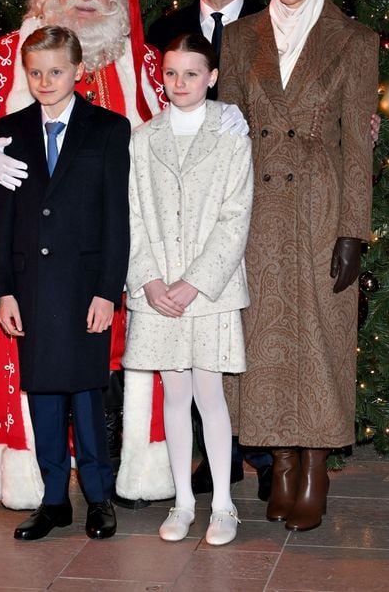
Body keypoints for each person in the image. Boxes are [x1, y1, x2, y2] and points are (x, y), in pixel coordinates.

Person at [0, 0, 175, 510]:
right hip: (35, 261)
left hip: (115, 257)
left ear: (118, 0)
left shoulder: (143, 64)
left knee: (113, 373)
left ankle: (120, 474)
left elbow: (181, 140)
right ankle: (40, 484)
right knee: (37, 370)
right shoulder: (15, 54)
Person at [219, 0, 379, 532]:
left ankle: (314, 470)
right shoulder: (239, 38)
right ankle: (278, 465)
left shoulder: (353, 40)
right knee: (261, 337)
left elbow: (357, 146)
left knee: (319, 336)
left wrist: (353, 231)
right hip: (254, 205)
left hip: (320, 202)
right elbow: (226, 131)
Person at [146, 0, 273, 498]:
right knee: (189, 365)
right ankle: (202, 463)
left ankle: (269, 456)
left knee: (254, 330)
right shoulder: (164, 31)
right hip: (176, 212)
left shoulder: (273, 25)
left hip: (259, 192)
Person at [0, 25, 129, 540]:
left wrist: (107, 291)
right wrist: (3, 289)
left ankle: (98, 497)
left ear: (78, 72)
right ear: (26, 75)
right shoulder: (13, 127)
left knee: (88, 397)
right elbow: (3, 217)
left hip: (84, 288)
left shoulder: (108, 129)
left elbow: (118, 218)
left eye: (55, 70)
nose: (45, 80)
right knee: (44, 397)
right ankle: (54, 501)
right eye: (35, 72)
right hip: (31, 290)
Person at [123, 33, 253, 546]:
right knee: (174, 394)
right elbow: (131, 213)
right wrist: (150, 279)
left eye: (192, 73)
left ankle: (222, 503)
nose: (180, 83)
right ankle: (182, 501)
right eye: (172, 73)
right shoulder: (143, 138)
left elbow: (236, 214)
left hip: (208, 291)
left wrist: (194, 282)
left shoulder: (230, 134)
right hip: (156, 291)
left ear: (212, 77)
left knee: (209, 394)